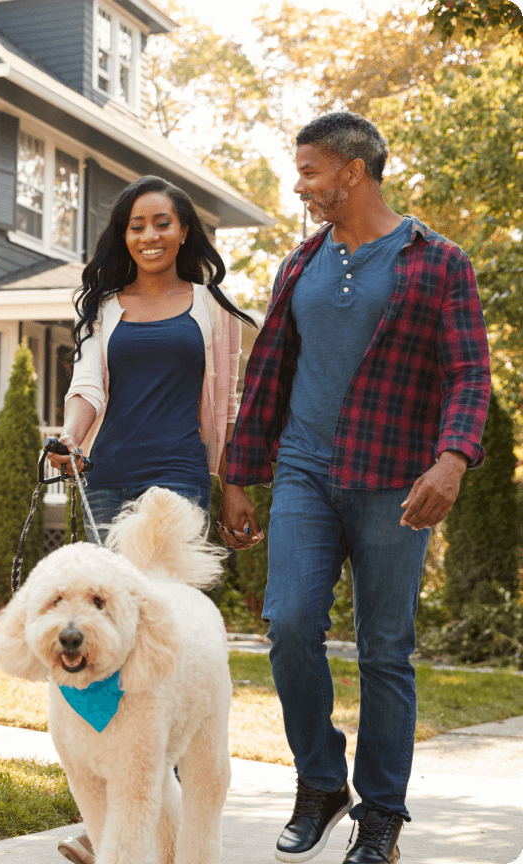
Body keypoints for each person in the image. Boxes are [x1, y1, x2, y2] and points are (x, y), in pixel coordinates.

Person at [219, 113, 491, 864]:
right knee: (291, 623)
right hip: (306, 470)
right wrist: (240, 471)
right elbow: (269, 373)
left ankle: (381, 817)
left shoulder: (438, 262)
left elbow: (470, 373)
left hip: (396, 479)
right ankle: (319, 781)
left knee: (384, 651)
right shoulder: (300, 261)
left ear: (353, 171)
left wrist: (453, 458)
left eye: (309, 171)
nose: (299, 185)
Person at [50, 174, 258, 864]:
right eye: (137, 225)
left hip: (177, 478)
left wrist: (231, 486)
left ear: (185, 230)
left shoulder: (212, 309)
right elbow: (86, 388)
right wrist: (69, 440)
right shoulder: (106, 308)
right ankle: (114, 817)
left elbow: (225, 408)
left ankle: (148, 816)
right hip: (108, 475)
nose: (149, 235)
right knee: (104, 637)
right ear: (123, 234)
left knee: (159, 636)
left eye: (162, 223)